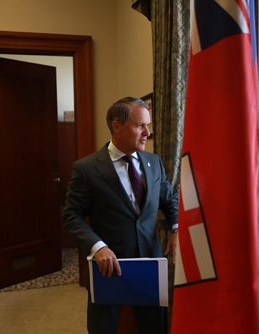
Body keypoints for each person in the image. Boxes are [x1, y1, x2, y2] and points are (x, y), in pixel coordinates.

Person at [62, 96, 179, 334]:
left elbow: (169, 200)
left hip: (149, 264)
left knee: (154, 327)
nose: (148, 132)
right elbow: (71, 216)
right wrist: (97, 247)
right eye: (140, 126)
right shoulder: (86, 169)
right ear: (117, 126)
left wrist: (176, 229)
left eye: (148, 125)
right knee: (102, 328)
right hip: (108, 266)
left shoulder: (153, 162)